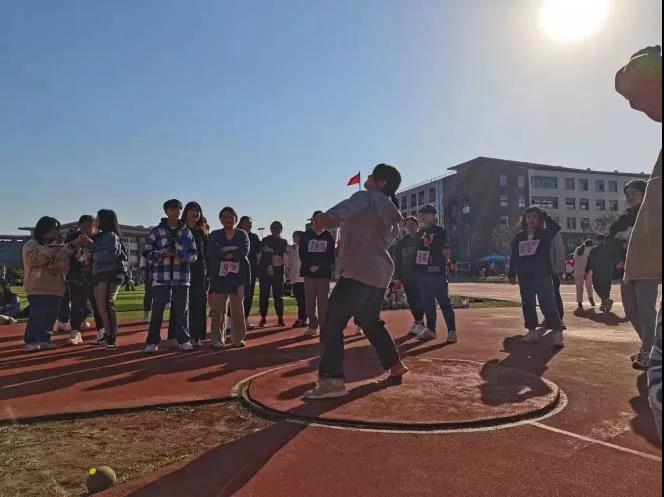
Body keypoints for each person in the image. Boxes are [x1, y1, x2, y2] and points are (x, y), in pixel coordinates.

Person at [304, 163, 408, 400]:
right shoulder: (393, 211)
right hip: (380, 273)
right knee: (369, 321)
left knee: (331, 321)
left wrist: (327, 217)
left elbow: (346, 209)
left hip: (360, 271)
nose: (367, 178)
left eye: (371, 175)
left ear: (380, 183)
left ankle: (332, 381)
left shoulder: (366, 197)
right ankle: (394, 364)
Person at [616, 44, 662, 439]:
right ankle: (649, 346)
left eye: (637, 98)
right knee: (634, 302)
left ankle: (650, 348)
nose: (637, 109)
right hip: (644, 261)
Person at [609, 179, 659, 370]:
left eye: (634, 193)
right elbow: (611, 239)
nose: (630, 197)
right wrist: (618, 258)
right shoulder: (625, 217)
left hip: (646, 269)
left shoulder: (653, 214)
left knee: (646, 312)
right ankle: (650, 347)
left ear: (645, 195)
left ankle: (648, 352)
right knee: (631, 311)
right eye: (628, 194)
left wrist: (626, 240)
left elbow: (651, 241)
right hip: (627, 269)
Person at [143, 199, 198, 353]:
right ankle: (152, 342)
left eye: (178, 209)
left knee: (182, 312)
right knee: (157, 312)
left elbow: (194, 255)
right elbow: (147, 253)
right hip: (161, 278)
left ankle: (184, 340)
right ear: (166, 211)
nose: (175, 212)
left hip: (182, 278)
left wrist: (182, 256)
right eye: (172, 209)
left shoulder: (187, 232)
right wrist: (163, 253)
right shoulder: (157, 231)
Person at [22, 217, 83, 351]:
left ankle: (45, 339)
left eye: (57, 230)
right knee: (37, 315)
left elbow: (65, 257)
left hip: (56, 287)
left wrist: (74, 245)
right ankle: (31, 341)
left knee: (51, 316)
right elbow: (33, 261)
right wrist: (51, 252)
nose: (56, 233)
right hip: (37, 287)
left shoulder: (57, 245)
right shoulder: (31, 245)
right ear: (44, 229)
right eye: (53, 230)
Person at [508, 207, 564, 348]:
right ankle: (532, 332)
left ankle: (557, 333)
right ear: (524, 219)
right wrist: (512, 273)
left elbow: (556, 228)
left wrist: (545, 215)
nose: (531, 220)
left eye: (534, 216)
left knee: (548, 304)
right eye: (528, 217)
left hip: (542, 275)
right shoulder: (519, 237)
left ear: (539, 219)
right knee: (528, 304)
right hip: (525, 276)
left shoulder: (544, 235)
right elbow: (514, 256)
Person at [414, 205, 458, 344]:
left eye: (425, 214)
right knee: (427, 303)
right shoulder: (420, 233)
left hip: (437, 272)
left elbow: (446, 251)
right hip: (422, 273)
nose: (422, 217)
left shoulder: (440, 232)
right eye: (421, 214)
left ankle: (452, 331)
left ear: (434, 216)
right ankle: (431, 330)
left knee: (444, 302)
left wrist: (443, 265)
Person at [207, 207, 250, 348]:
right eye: (224, 217)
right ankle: (217, 339)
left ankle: (238, 339)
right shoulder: (215, 234)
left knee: (238, 308)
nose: (228, 220)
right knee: (218, 310)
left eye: (231, 217)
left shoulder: (242, 234)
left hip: (238, 276)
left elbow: (243, 251)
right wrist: (231, 250)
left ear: (235, 218)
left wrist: (225, 250)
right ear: (220, 219)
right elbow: (213, 251)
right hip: (220, 277)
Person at [167, 202, 208, 347]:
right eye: (192, 210)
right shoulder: (179, 230)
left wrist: (208, 274)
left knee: (198, 303)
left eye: (198, 210)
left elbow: (206, 254)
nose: (195, 213)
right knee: (180, 304)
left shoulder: (203, 232)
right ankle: (177, 335)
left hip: (199, 272)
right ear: (186, 212)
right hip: (181, 270)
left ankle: (196, 336)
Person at [90, 210, 128, 350]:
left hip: (110, 273)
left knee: (106, 304)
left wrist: (91, 250)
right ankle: (107, 334)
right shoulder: (100, 236)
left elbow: (108, 255)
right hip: (99, 273)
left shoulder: (111, 236)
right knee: (101, 306)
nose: (95, 220)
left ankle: (111, 337)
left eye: (97, 218)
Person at [64, 215, 103, 345]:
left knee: (98, 305)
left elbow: (106, 254)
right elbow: (64, 252)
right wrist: (74, 244)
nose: (85, 231)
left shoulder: (101, 238)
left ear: (94, 227)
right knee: (76, 305)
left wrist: (91, 244)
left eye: (88, 228)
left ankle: (102, 332)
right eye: (82, 228)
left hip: (95, 276)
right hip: (77, 275)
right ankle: (75, 332)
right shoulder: (74, 237)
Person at [299, 211, 336, 337]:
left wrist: (319, 266)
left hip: (323, 274)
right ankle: (313, 325)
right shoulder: (306, 236)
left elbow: (331, 256)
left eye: (322, 219)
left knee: (323, 303)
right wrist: (310, 266)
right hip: (308, 273)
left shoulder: (328, 236)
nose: (319, 222)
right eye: (317, 219)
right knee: (309, 304)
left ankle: (324, 328)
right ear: (313, 220)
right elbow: (302, 254)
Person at [393, 216, 426, 336]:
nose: (410, 227)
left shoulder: (422, 240)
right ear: (405, 228)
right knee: (411, 300)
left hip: (420, 275)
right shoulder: (401, 243)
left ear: (417, 226)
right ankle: (419, 321)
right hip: (407, 276)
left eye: (412, 224)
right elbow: (398, 261)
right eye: (408, 225)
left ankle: (419, 322)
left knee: (420, 299)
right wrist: (397, 278)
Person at [257, 221, 288, 328]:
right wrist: (270, 263)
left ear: (281, 230)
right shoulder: (266, 240)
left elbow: (283, 252)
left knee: (278, 296)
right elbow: (264, 253)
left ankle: (280, 318)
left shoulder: (283, 241)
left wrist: (271, 251)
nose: (275, 231)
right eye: (273, 229)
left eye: (277, 229)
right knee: (263, 296)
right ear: (271, 229)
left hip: (278, 273)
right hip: (265, 272)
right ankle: (263, 318)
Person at [237, 216, 262, 330]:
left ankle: (245, 318)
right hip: (236, 269)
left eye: (250, 223)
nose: (249, 225)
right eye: (246, 222)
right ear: (241, 223)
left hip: (250, 270)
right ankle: (231, 320)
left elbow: (258, 253)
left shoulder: (254, 237)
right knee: (234, 294)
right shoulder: (236, 234)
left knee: (248, 295)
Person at [585, 235, 615, 313]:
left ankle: (606, 301)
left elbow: (590, 261)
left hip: (598, 272)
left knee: (597, 287)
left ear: (597, 240)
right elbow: (614, 259)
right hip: (608, 271)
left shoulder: (594, 250)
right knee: (606, 288)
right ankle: (604, 304)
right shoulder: (608, 249)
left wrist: (587, 270)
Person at [286, 230, 307, 328]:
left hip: (302, 279)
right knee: (300, 301)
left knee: (302, 301)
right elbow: (288, 262)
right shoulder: (293, 249)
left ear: (300, 237)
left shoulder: (304, 248)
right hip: (295, 279)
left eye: (294, 236)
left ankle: (303, 319)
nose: (293, 238)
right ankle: (302, 318)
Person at [573, 239, 596, 310]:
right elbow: (591, 261)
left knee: (579, 287)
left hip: (577, 270)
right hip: (587, 271)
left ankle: (579, 302)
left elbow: (574, 259)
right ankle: (591, 299)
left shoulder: (577, 249)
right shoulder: (591, 249)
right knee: (589, 286)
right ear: (591, 245)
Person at [139, 254, 152, 323]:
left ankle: (157, 315)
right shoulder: (146, 250)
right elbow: (142, 262)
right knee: (148, 295)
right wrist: (143, 271)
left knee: (159, 296)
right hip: (149, 275)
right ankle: (146, 315)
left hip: (159, 274)